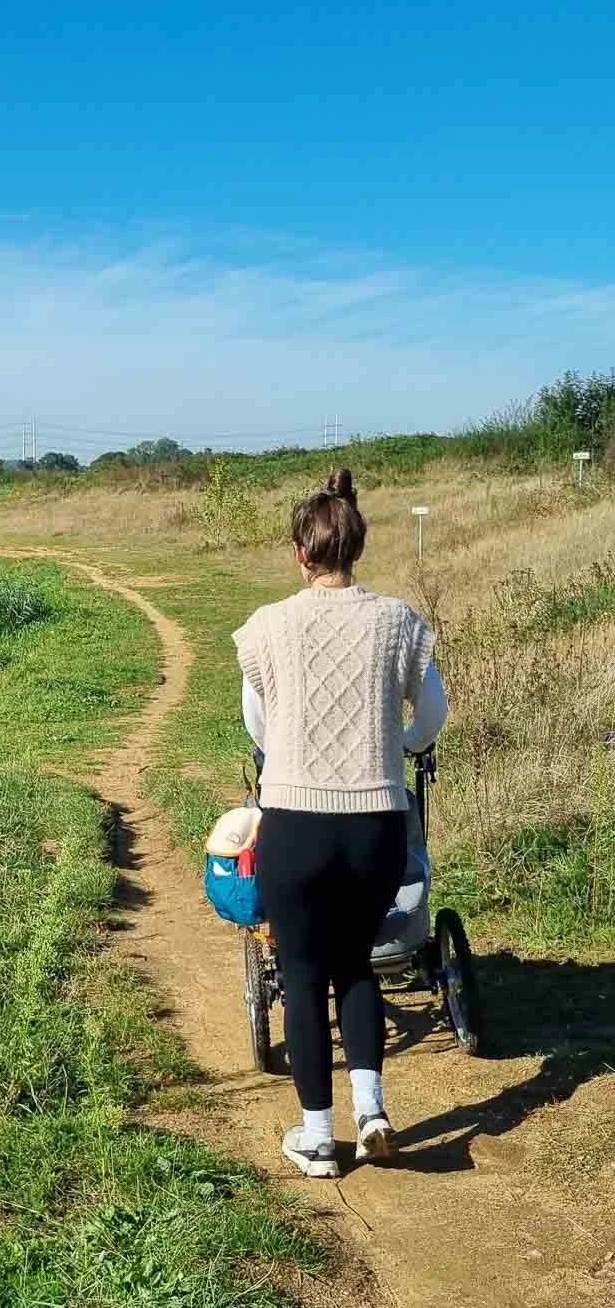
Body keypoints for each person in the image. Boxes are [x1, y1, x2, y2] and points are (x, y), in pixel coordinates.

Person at [233, 470, 448, 1180]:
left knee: (302, 973)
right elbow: (433, 715)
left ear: (301, 552)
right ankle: (376, 1110)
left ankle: (320, 1139)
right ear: (357, 546)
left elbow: (257, 724)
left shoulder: (267, 626)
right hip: (376, 822)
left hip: (296, 820)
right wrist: (403, 747)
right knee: (356, 962)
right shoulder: (399, 622)